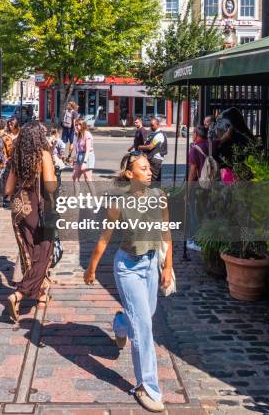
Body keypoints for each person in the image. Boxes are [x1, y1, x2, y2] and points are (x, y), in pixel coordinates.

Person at [83, 151, 172, 412]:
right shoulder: (119, 203)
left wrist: (167, 267)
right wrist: (91, 269)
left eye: (149, 168)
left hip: (151, 265)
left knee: (146, 315)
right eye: (142, 168)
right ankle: (147, 387)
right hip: (128, 268)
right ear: (130, 174)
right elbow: (104, 239)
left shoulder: (159, 197)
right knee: (144, 327)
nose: (149, 171)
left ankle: (120, 322)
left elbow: (166, 232)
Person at [4, 122, 57, 321]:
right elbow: (50, 187)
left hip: (19, 208)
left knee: (27, 253)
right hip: (38, 206)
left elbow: (8, 189)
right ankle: (19, 294)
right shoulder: (43, 154)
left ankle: (42, 293)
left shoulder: (17, 157)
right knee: (43, 253)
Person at [72, 118, 96, 199]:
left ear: (83, 126)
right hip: (80, 156)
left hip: (87, 156)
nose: (77, 126)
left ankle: (94, 198)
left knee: (88, 178)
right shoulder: (78, 134)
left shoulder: (87, 134)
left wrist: (84, 162)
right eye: (76, 124)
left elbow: (88, 149)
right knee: (75, 177)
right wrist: (75, 160)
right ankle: (75, 198)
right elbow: (77, 149)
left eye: (79, 125)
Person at [139, 117, 167, 184]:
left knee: (154, 180)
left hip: (155, 160)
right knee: (151, 179)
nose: (151, 127)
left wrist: (140, 147)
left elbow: (150, 147)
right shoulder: (153, 133)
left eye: (152, 125)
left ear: (157, 125)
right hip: (151, 159)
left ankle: (156, 193)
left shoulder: (159, 135)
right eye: (150, 125)